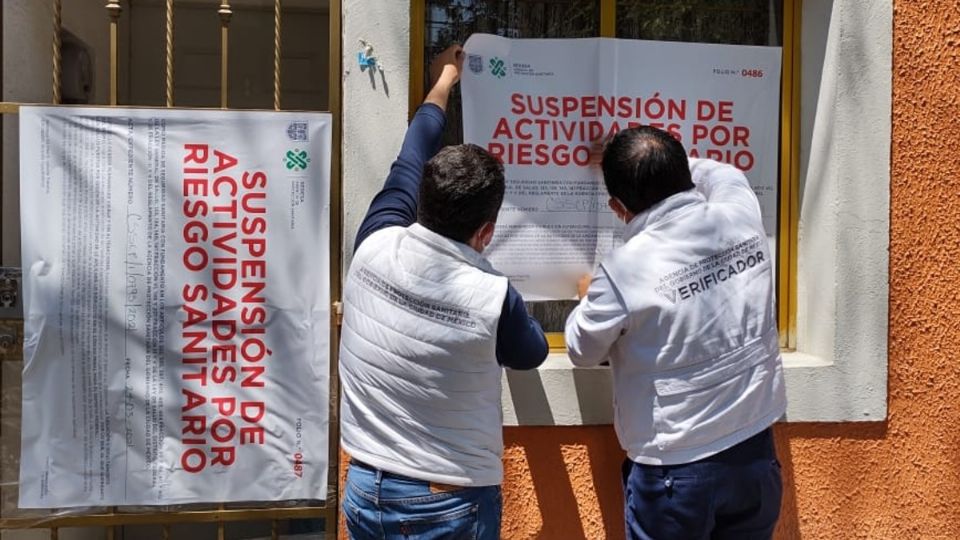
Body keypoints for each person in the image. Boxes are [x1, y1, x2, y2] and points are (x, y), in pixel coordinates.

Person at [338, 44, 549, 540]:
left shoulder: (376, 241)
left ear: (420, 200)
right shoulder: (493, 297)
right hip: (446, 501)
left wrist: (444, 80)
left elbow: (415, 147)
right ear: (487, 231)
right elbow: (534, 351)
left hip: (365, 487)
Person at [565, 126, 787, 539]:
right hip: (755, 453)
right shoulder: (738, 211)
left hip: (676, 470)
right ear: (685, 172)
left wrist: (584, 301)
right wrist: (650, 161)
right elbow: (722, 172)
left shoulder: (624, 269)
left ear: (616, 207)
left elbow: (581, 349)